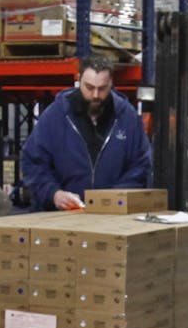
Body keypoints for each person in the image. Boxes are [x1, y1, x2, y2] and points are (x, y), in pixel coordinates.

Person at [20, 52, 153, 211]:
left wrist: (114, 198)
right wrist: (54, 194)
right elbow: (33, 163)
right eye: (89, 87)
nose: (95, 95)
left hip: (114, 217)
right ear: (78, 79)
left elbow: (141, 165)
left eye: (102, 89)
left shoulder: (127, 117)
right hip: (63, 217)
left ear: (111, 83)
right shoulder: (55, 116)